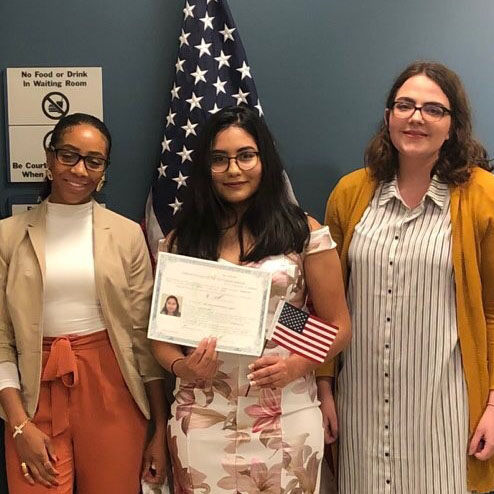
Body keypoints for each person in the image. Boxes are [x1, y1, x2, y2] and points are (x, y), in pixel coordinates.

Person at [317, 61, 494, 493]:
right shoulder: (350, 194)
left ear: (453, 126)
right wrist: (324, 386)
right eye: (405, 105)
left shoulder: (487, 199)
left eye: (433, 109)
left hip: (446, 414)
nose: (416, 117)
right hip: (361, 411)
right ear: (389, 116)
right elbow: (325, 304)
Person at [150, 105, 351, 493]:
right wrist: (181, 367)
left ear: (265, 160)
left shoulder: (303, 233)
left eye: (245, 156)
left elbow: (339, 326)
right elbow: (161, 335)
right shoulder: (182, 241)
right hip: (202, 418)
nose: (234, 170)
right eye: (220, 160)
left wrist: (297, 364)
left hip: (285, 415)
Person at [0, 113, 168, 493]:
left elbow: (141, 337)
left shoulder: (126, 234)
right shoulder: (9, 234)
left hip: (111, 389)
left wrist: (159, 428)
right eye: (68, 155)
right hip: (33, 391)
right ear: (49, 159)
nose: (79, 169)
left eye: (93, 160)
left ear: (104, 171)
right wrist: (18, 424)